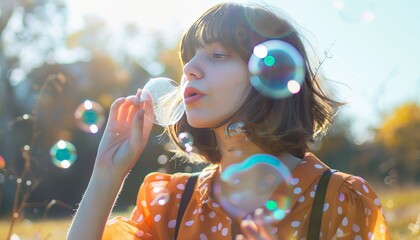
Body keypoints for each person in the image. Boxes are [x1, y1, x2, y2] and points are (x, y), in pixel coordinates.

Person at [67, 2, 389, 239]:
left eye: (218, 55)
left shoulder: (336, 200)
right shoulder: (172, 205)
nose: (189, 68)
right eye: (189, 56)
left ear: (272, 73)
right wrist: (107, 174)